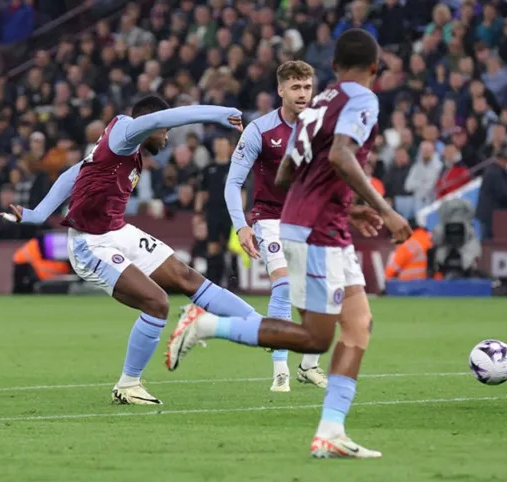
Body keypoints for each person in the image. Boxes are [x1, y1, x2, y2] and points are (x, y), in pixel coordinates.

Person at [165, 29, 413, 458]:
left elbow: (286, 177)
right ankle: (206, 324)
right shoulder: (361, 100)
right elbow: (339, 156)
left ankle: (330, 432)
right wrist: (383, 207)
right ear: (375, 67)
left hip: (319, 222)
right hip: (317, 231)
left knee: (357, 325)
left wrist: (346, 207)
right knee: (317, 338)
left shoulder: (319, 106)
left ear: (332, 69)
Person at [2, 96, 252, 405]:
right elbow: (163, 119)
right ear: (150, 124)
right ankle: (128, 384)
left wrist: (39, 213)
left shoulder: (122, 142)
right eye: (162, 130)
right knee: (157, 302)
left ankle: (259, 326)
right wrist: (220, 113)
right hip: (89, 243)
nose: (165, 136)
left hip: (118, 231)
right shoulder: (127, 132)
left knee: (185, 276)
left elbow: (76, 171)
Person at [224, 60, 326, 393]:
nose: (302, 93)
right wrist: (241, 226)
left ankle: (308, 367)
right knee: (284, 287)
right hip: (270, 219)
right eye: (295, 87)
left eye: (307, 87)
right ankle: (280, 370)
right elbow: (233, 182)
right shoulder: (259, 130)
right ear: (280, 90)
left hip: (309, 220)